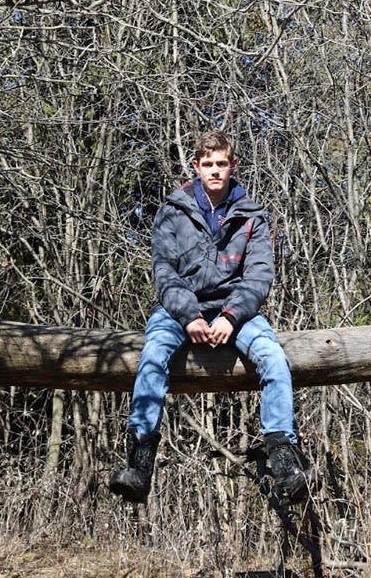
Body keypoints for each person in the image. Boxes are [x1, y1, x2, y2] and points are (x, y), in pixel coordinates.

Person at [109, 130, 314, 505]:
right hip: (179, 311)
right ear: (196, 167)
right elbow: (164, 271)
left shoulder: (253, 216)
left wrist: (232, 317)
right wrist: (188, 316)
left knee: (273, 359)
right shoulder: (173, 211)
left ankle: (286, 464)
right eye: (208, 164)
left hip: (235, 312)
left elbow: (259, 275)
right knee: (153, 355)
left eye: (222, 163)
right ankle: (139, 464)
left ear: (233, 166)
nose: (215, 170)